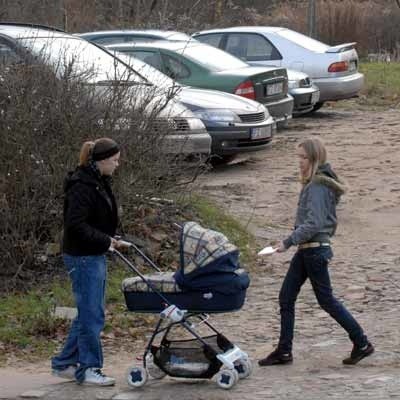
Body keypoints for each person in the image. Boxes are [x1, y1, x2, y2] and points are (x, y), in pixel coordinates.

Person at [258, 137, 374, 367]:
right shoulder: (314, 184)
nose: (299, 162)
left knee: (326, 301)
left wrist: (287, 242)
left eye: (303, 157)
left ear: (314, 158)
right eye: (298, 157)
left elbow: (314, 223)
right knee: (287, 297)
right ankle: (284, 351)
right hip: (307, 250)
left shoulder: (318, 186)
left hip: (314, 251)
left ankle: (361, 342)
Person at [51, 137, 128, 386]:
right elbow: (75, 224)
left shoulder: (98, 180)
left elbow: (95, 220)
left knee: (87, 313)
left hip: (92, 253)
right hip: (82, 257)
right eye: (115, 160)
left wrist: (110, 239)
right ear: (103, 160)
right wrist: (104, 241)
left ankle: (64, 364)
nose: (117, 165)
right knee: (92, 315)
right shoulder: (82, 185)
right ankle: (89, 368)